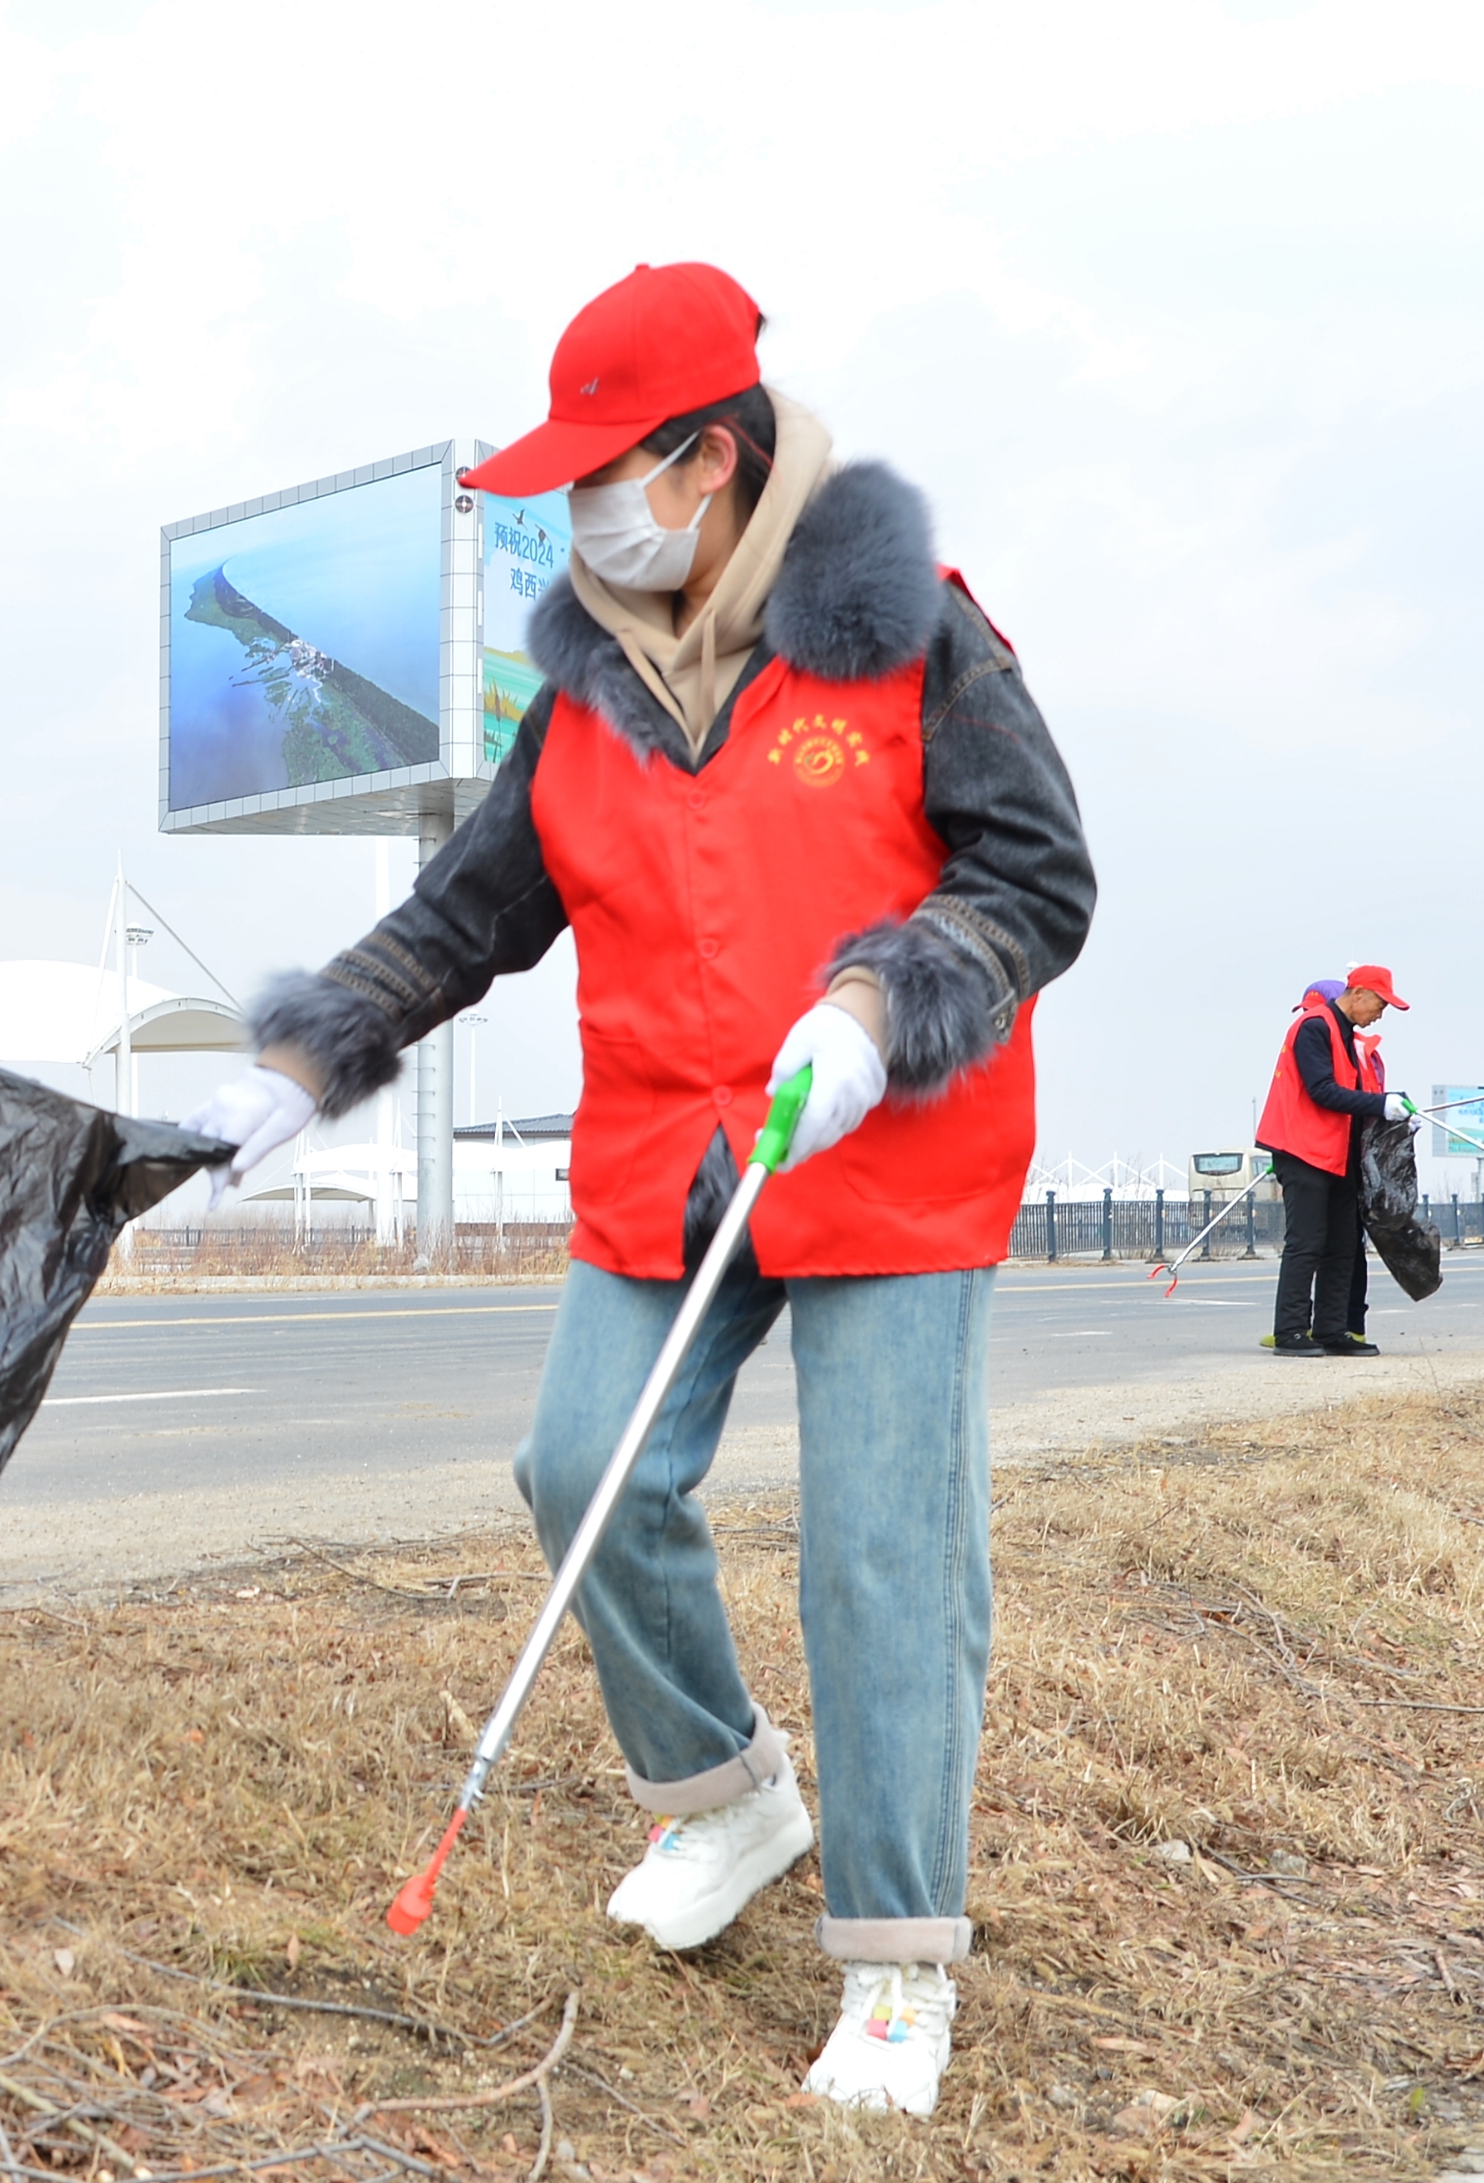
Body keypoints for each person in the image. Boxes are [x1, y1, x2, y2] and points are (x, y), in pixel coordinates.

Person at [182, 263, 1095, 2114]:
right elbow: (469, 914)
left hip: (880, 1141)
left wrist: (875, 1002)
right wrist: (305, 1057)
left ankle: (897, 1963)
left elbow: (1034, 878)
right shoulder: (580, 682)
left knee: (877, 1553)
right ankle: (729, 1790)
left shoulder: (910, 634)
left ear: (707, 459)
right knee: (579, 1465)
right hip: (672, 1153)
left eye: (605, 468)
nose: (575, 506)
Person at [1252, 966, 1415, 1356]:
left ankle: (1332, 1328)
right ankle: (1291, 1330)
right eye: (1380, 1003)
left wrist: (1388, 1112)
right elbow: (1322, 1090)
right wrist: (1380, 1103)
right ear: (1357, 994)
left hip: (1337, 1153)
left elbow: (1354, 1094)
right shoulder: (1314, 1027)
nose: (1380, 1013)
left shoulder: (1346, 1035)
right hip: (1302, 1151)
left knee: (1343, 1244)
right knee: (1306, 1243)